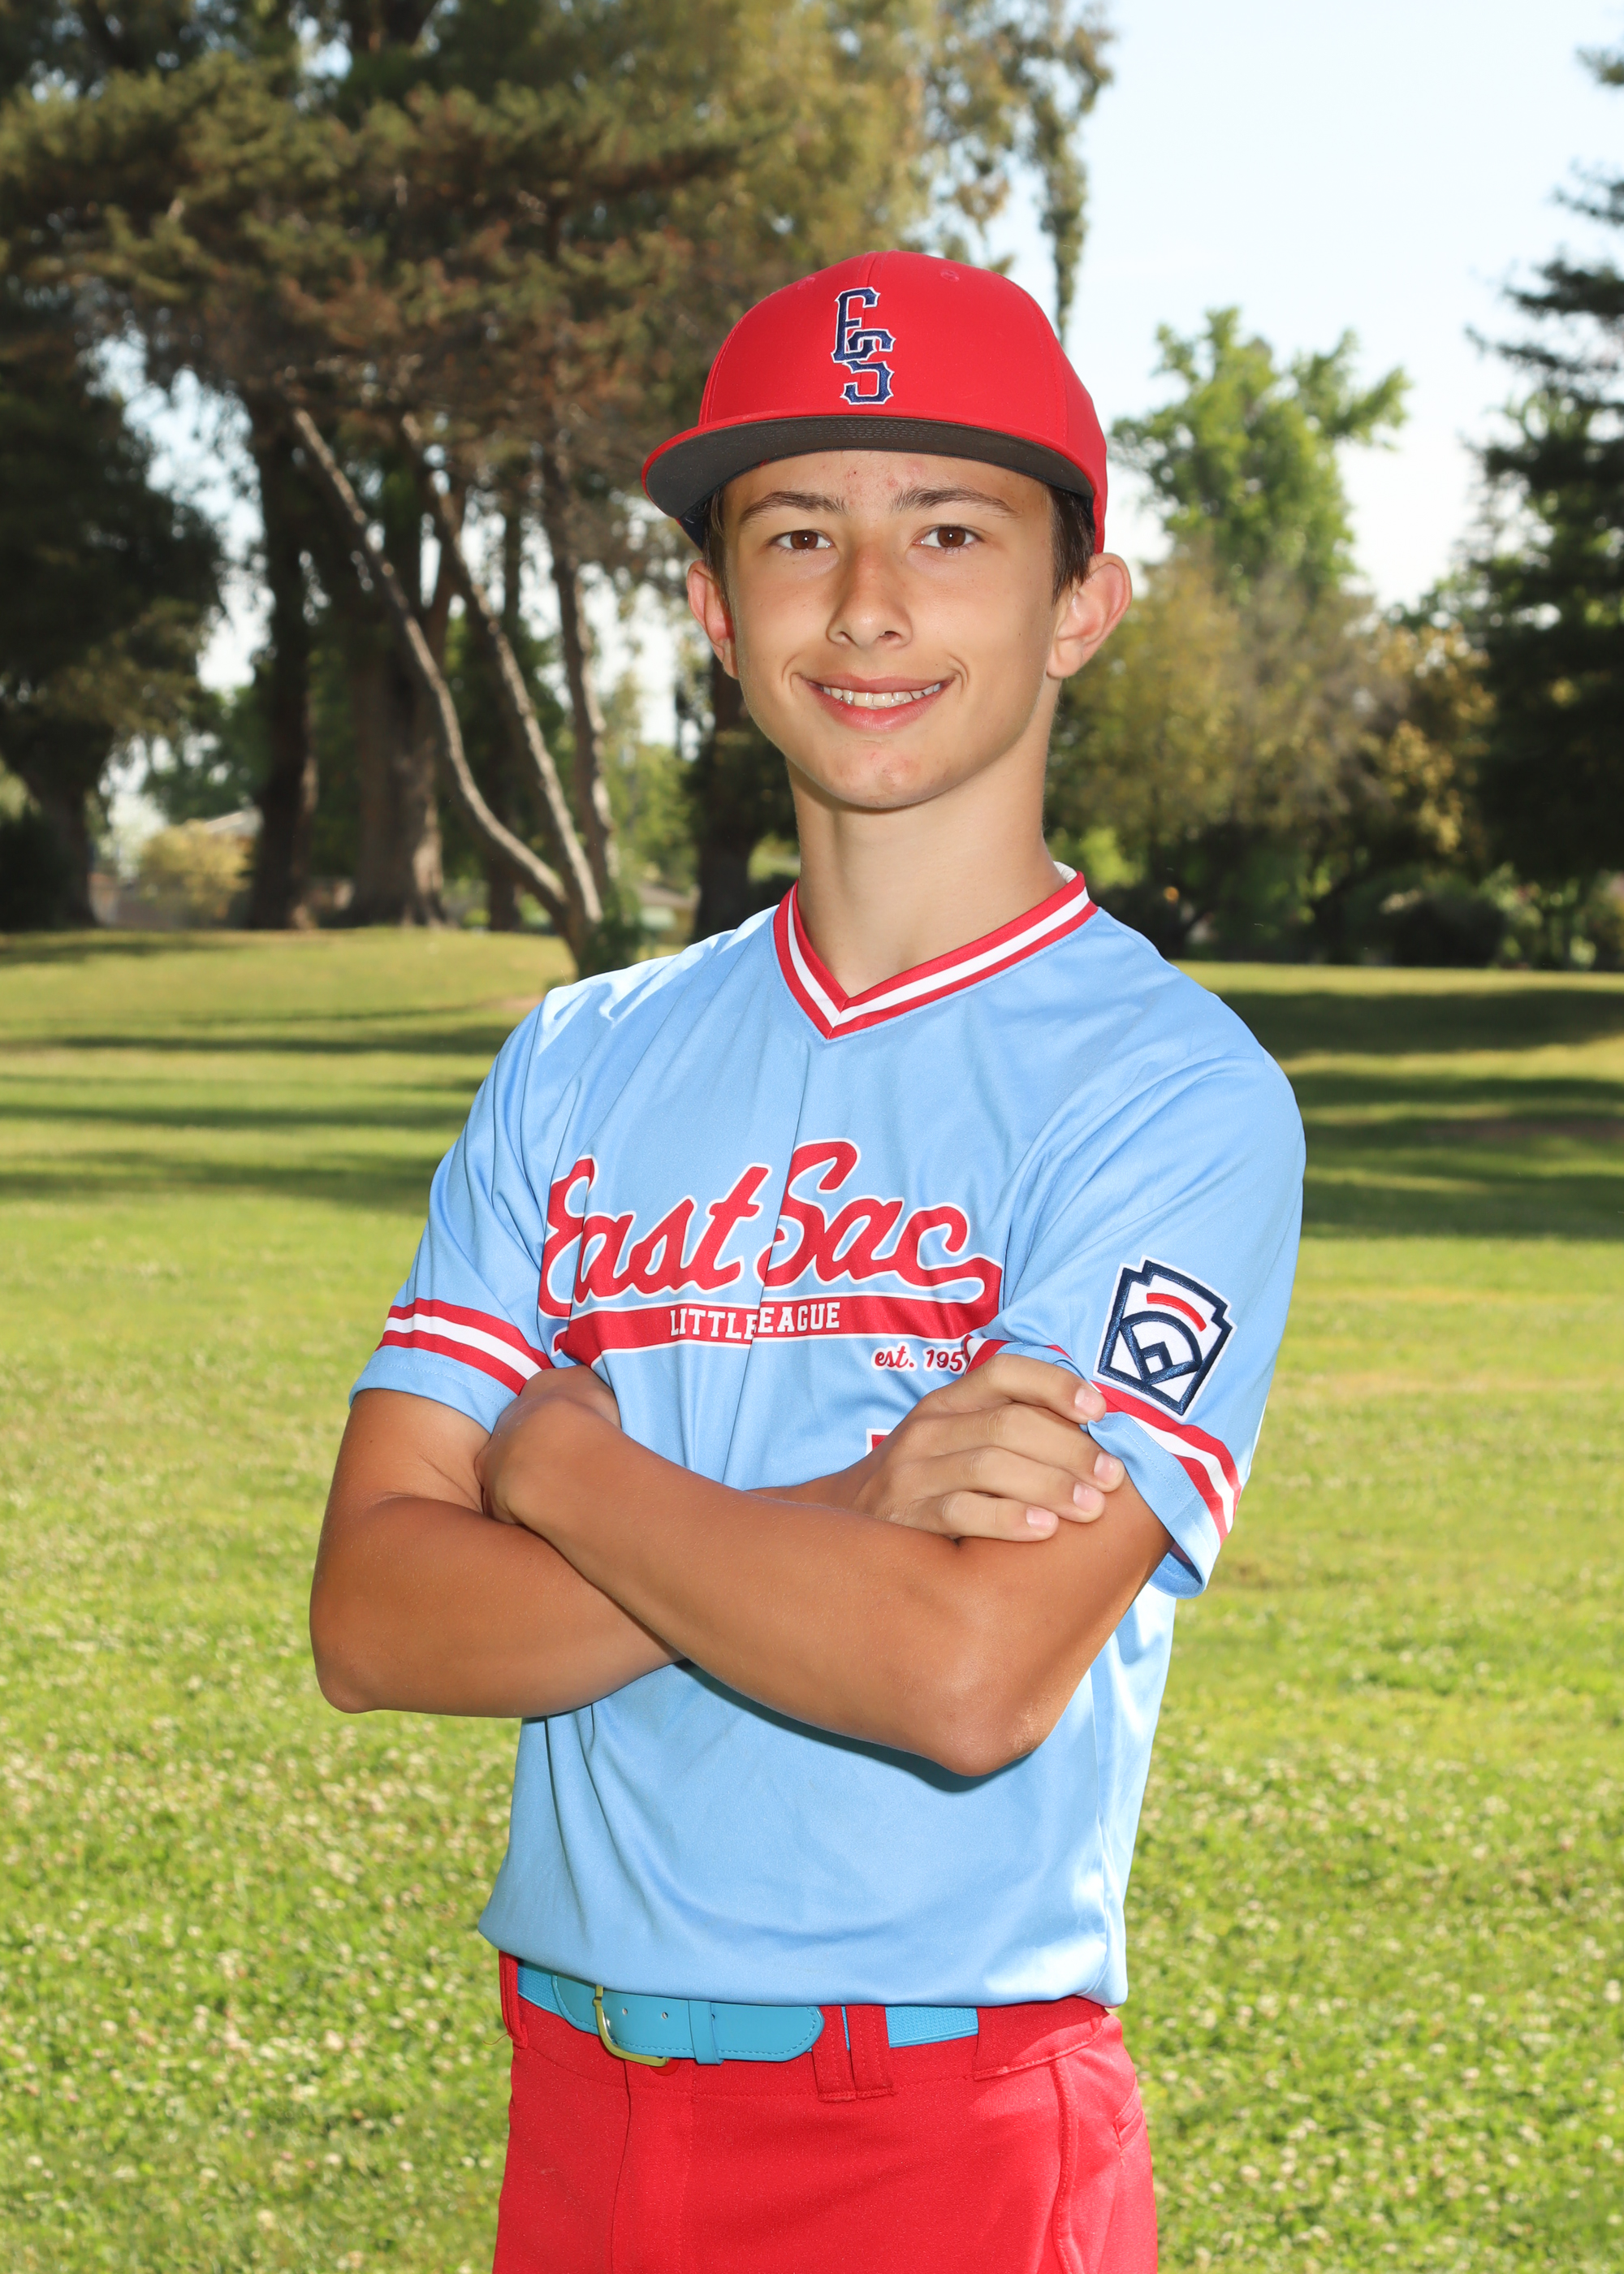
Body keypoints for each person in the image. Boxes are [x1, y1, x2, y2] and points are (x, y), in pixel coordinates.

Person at [310, 249, 1305, 2274]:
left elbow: (960, 1670)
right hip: (579, 2104)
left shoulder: (1169, 1090)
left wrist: (563, 1469)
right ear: (711, 606)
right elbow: (376, 1615)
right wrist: (851, 1508)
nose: (865, 602)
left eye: (949, 529)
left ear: (1079, 604)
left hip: (940, 2125)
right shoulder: (579, 1057)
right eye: (794, 532)